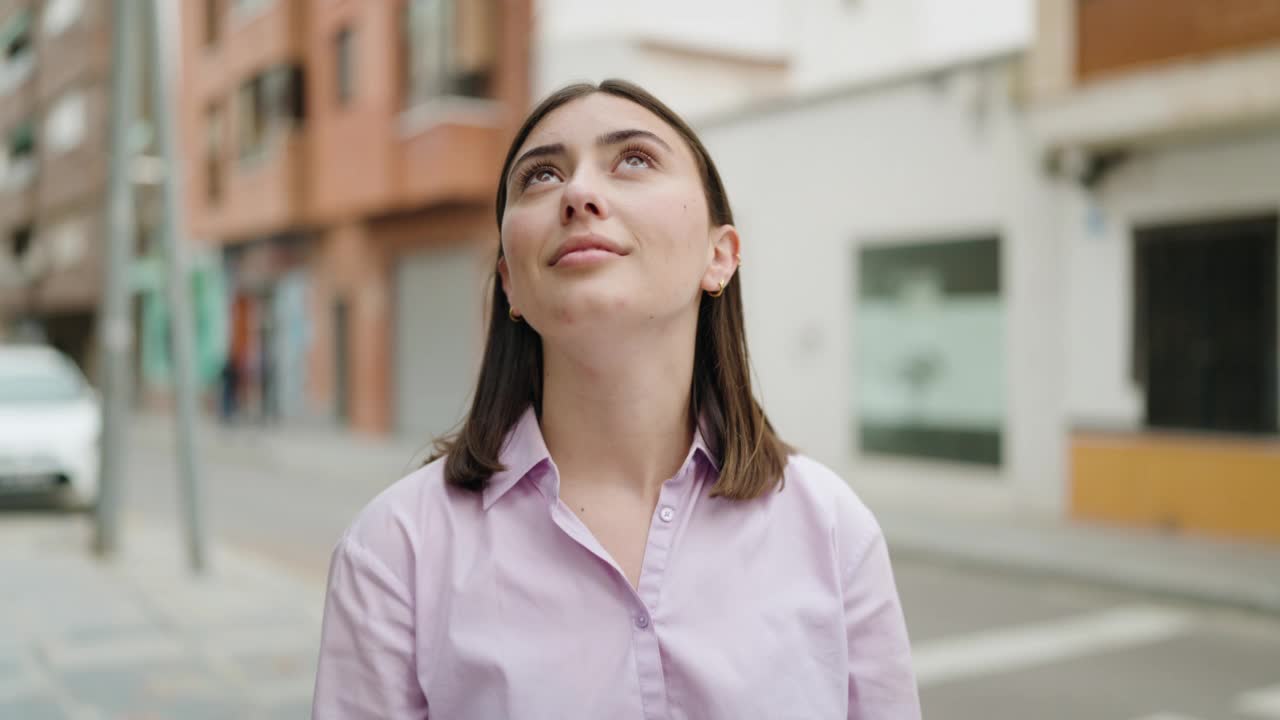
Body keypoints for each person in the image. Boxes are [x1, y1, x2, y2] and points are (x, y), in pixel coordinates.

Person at [311, 80, 921, 719]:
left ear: (720, 257)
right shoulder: (393, 553)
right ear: (509, 283)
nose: (577, 193)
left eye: (634, 159)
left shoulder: (831, 529)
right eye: (541, 176)